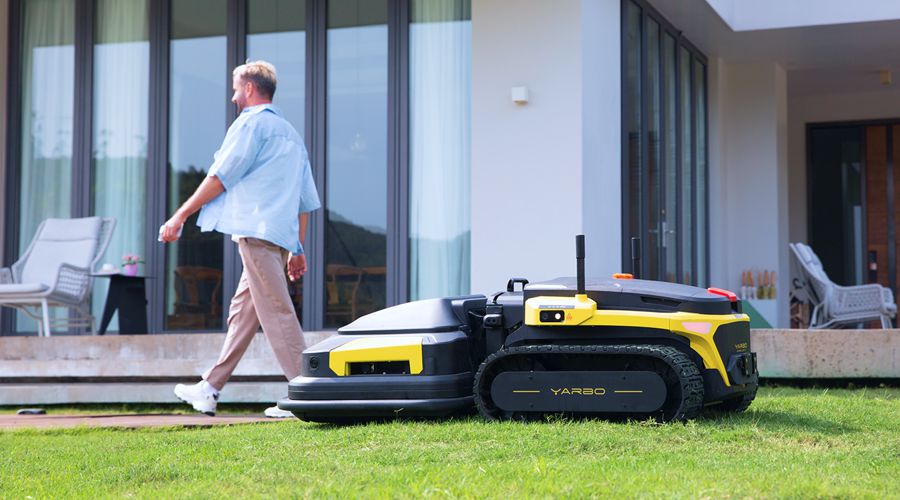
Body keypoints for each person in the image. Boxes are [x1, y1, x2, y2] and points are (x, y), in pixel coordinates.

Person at [161, 60, 320, 418]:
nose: (233, 97)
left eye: (235, 89)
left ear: (249, 88)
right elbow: (304, 201)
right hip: (277, 238)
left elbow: (221, 176)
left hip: (256, 232)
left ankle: (308, 392)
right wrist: (297, 248)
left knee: (277, 310)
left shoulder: (250, 124)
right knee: (243, 312)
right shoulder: (292, 135)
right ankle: (210, 387)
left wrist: (180, 214)